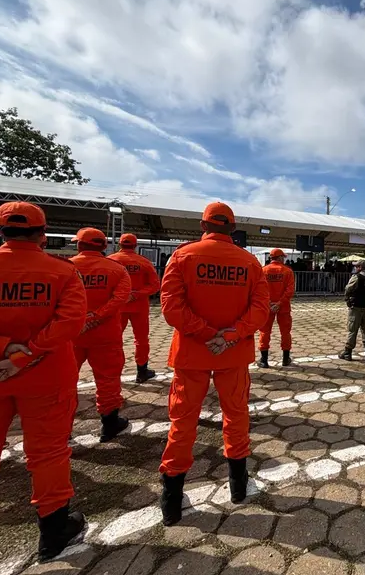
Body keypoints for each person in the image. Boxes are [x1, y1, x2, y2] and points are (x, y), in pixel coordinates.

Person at [0, 202, 88, 562]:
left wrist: (0, 348)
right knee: (48, 453)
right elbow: (71, 322)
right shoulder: (61, 271)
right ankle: (53, 534)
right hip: (47, 374)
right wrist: (23, 356)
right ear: (43, 234)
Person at [158, 202, 269, 526]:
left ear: (202, 225)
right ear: (232, 229)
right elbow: (260, 311)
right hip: (232, 354)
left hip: (193, 353)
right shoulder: (249, 263)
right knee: (236, 415)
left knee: (183, 422)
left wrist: (206, 334)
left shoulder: (182, 256)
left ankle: (172, 500)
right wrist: (230, 335)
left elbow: (170, 307)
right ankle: (237, 485)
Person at [70, 228, 133, 442]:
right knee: (108, 380)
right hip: (105, 334)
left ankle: (61, 428)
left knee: (65, 382)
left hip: (70, 334)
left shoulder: (65, 268)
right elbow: (120, 298)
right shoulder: (117, 270)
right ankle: (109, 423)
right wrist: (96, 317)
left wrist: (80, 320)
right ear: (104, 246)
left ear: (79, 245)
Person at [108, 233, 161, 383]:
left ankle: (113, 372)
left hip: (117, 307)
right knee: (141, 340)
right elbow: (155, 285)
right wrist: (136, 294)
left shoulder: (111, 261)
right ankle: (142, 372)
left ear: (119, 244)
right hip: (139, 307)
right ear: (135, 245)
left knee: (114, 340)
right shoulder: (144, 262)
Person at [258, 248, 295, 368]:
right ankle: (285, 359)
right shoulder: (287, 271)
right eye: (283, 257)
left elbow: (259, 290)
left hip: (267, 307)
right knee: (285, 332)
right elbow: (289, 291)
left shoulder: (263, 271)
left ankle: (264, 360)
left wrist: (269, 303)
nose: (284, 259)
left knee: (264, 332)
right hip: (283, 307)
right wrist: (279, 303)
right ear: (279, 258)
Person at [339, 259, 365, 361]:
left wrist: (347, 299)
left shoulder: (356, 277)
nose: (355, 267)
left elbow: (348, 289)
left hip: (356, 308)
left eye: (357, 266)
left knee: (352, 330)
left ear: (360, 267)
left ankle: (347, 352)